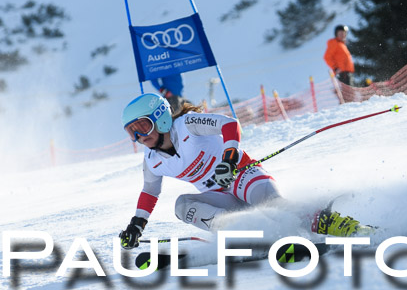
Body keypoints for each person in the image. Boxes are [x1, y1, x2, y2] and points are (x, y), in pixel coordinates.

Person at [118, 93, 373, 249]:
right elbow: (150, 191)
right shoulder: (152, 160)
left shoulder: (187, 125)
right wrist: (137, 225)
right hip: (221, 195)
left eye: (143, 126)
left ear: (161, 117)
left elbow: (229, 125)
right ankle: (246, 235)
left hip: (241, 174)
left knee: (272, 205)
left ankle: (342, 225)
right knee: (182, 206)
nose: (140, 136)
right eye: (132, 132)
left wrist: (228, 159)